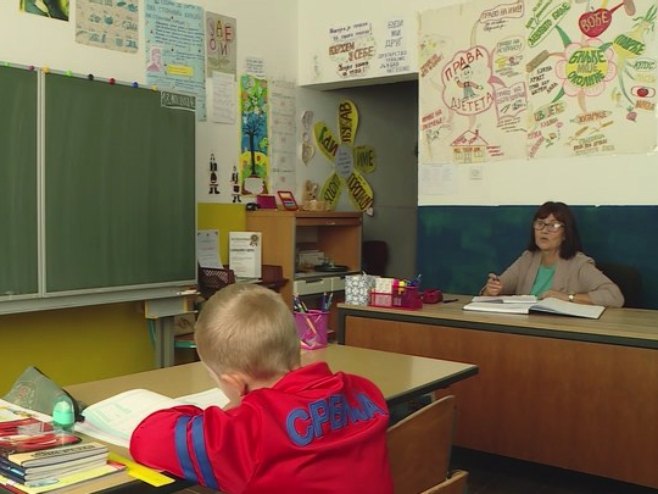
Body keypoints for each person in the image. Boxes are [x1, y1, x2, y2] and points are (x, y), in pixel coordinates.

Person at [130, 283, 393, 494]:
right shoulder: (365, 391)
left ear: (237, 384)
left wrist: (221, 414)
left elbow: (146, 438)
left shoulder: (246, 430)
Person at [481, 201, 624, 307]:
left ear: (565, 234)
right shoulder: (527, 258)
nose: (544, 230)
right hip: (525, 329)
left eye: (553, 225)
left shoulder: (578, 264)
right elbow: (500, 286)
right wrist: (491, 291)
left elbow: (614, 296)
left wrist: (566, 297)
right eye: (540, 224)